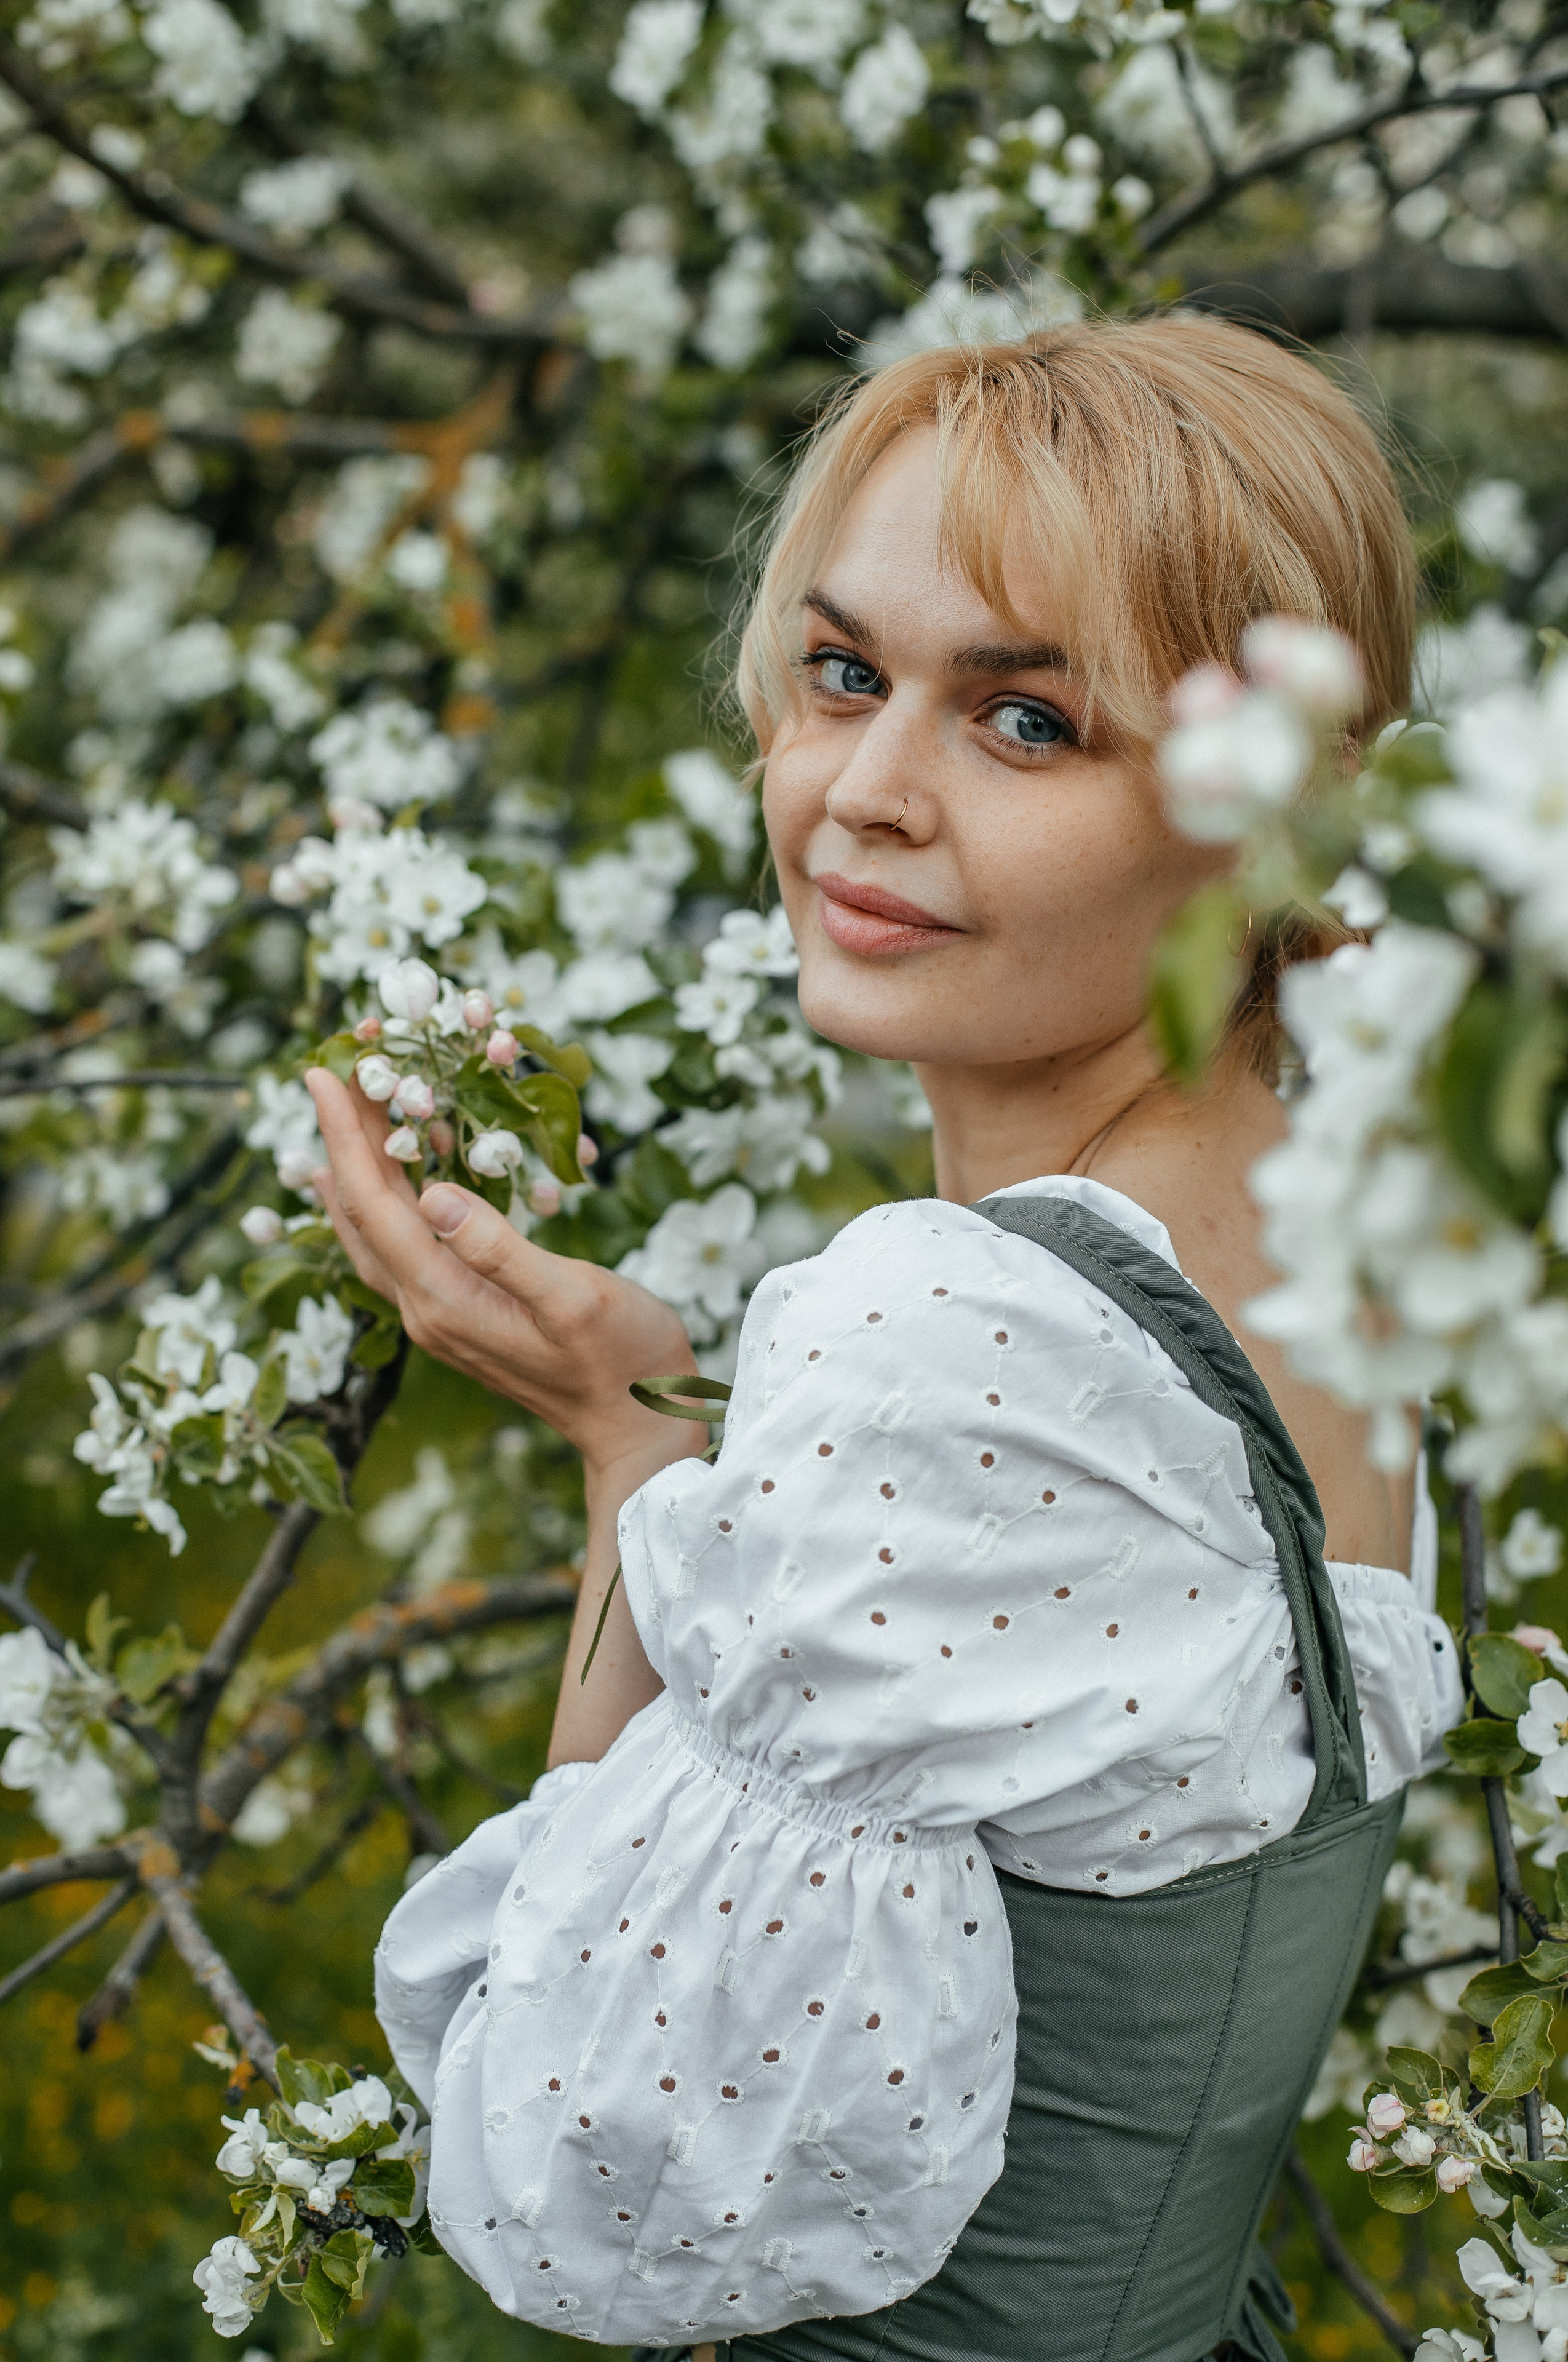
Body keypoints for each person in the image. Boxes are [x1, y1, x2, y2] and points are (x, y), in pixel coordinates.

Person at [306, 315, 1463, 2362]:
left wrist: (626, 1443)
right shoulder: (1332, 1236)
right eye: (844, 675)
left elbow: (579, 2173)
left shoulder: (955, 1336)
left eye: (1028, 724)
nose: (865, 793)